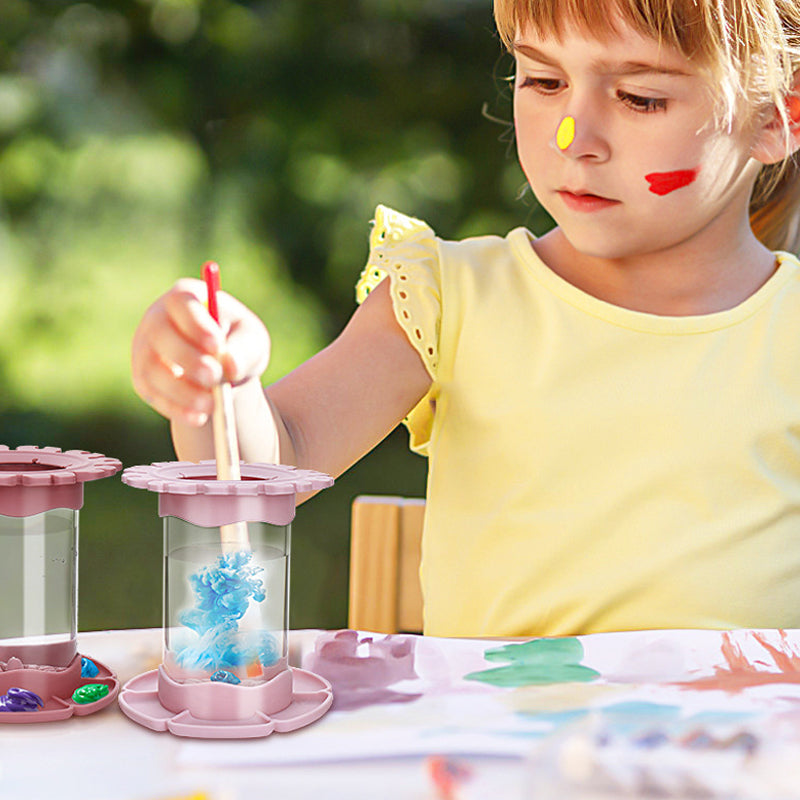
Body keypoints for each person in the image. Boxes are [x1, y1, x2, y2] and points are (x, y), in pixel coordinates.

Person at [131, 0, 800, 638]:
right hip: (497, 751)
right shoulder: (448, 299)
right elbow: (268, 468)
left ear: (777, 116)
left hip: (737, 752)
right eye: (542, 79)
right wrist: (217, 386)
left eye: (640, 97)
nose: (575, 137)